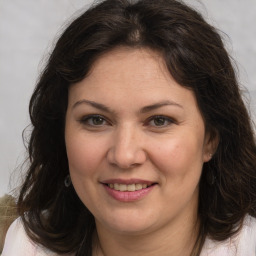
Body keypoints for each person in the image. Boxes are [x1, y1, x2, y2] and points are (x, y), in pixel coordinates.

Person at [2, 0, 256, 255]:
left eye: (159, 120)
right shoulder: (23, 245)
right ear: (61, 133)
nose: (124, 156)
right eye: (96, 120)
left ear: (211, 138)